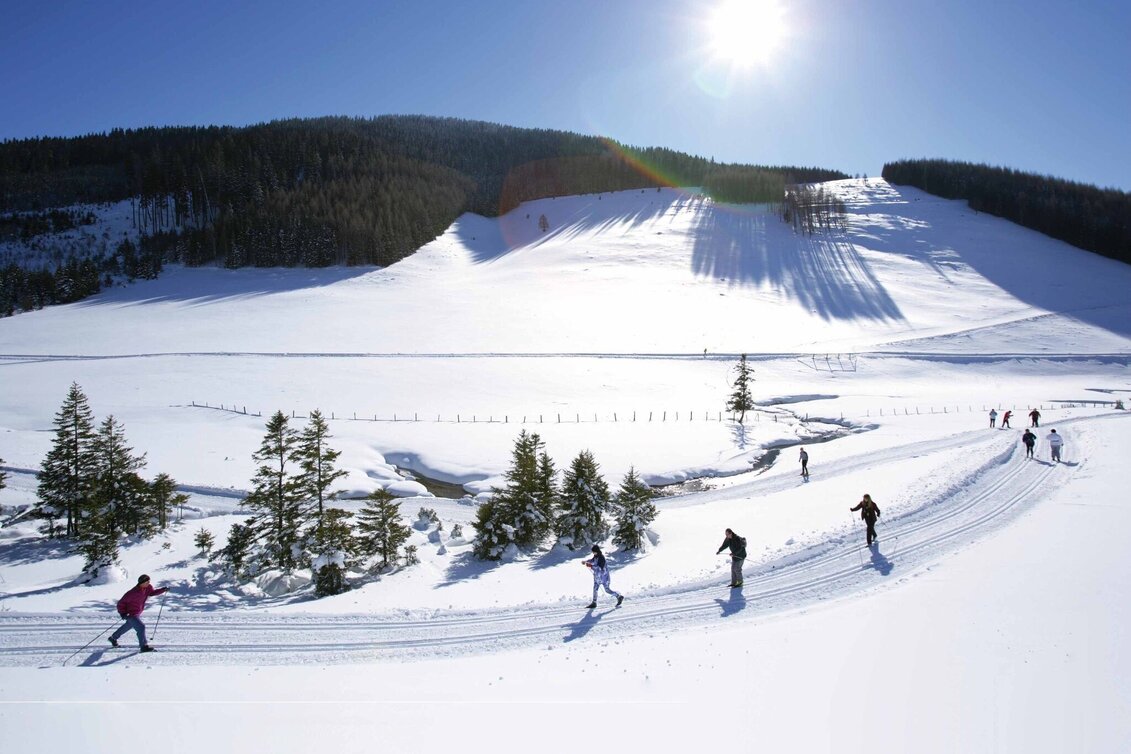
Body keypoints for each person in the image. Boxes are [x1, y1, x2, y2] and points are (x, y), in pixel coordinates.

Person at [109, 574, 168, 652]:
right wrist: (123, 613)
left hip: (137, 613)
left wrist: (163, 590)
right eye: (147, 581)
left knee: (128, 626)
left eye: (149, 581)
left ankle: (113, 638)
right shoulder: (132, 592)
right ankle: (144, 646)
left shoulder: (148, 588)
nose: (149, 583)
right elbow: (121, 603)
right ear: (142, 582)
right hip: (130, 614)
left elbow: (152, 593)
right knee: (141, 627)